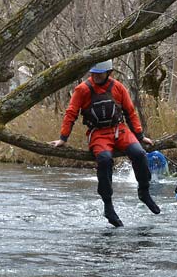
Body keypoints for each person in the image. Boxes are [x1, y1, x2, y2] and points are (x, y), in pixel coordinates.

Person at [50, 60, 160, 227]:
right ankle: (108, 206)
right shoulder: (82, 90)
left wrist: (140, 136)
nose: (95, 76)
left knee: (139, 154)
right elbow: (71, 114)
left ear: (108, 72)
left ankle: (144, 192)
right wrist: (63, 138)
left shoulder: (118, 87)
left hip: (120, 130)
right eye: (93, 73)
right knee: (104, 159)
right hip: (98, 133)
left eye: (99, 74)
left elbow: (130, 112)